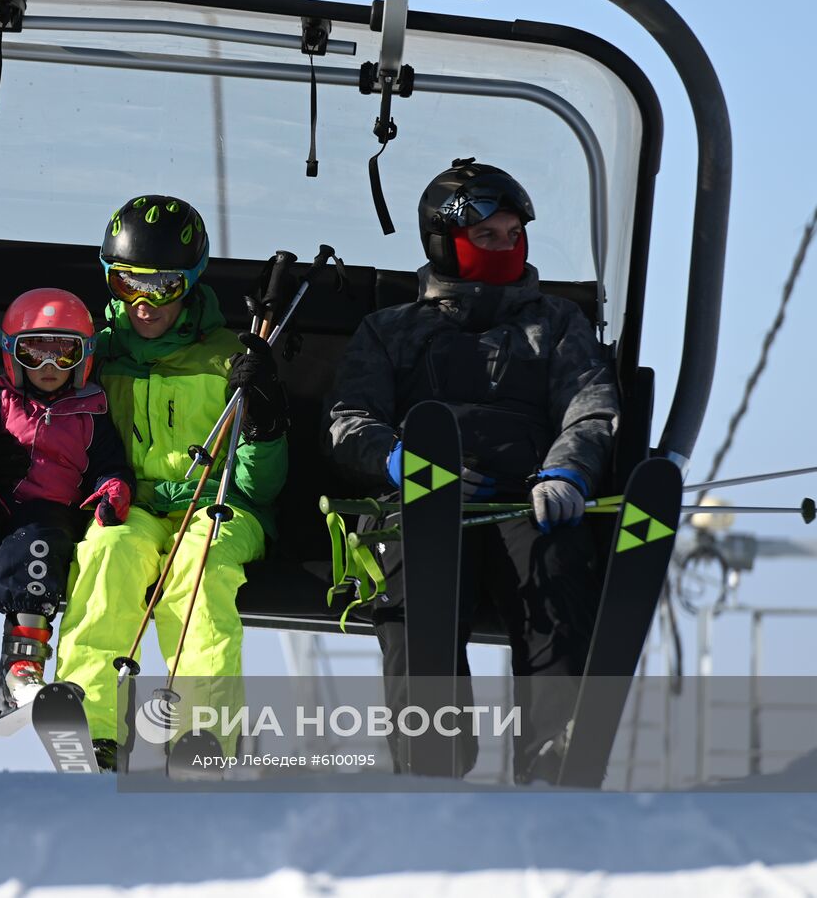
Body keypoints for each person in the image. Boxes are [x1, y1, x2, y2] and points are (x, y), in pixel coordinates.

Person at [325, 158, 620, 782]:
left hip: (526, 498)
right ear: (445, 241)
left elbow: (589, 409)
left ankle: (553, 761)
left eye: (514, 235)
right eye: (488, 235)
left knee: (556, 576)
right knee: (412, 589)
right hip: (428, 500)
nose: (506, 247)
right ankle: (431, 756)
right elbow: (350, 418)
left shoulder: (556, 325)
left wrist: (566, 475)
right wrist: (401, 461)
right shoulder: (392, 331)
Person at [55, 195, 290, 769]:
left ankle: (202, 736)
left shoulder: (227, 360)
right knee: (109, 553)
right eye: (125, 284)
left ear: (189, 282)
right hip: (131, 504)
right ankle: (93, 726)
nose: (141, 303)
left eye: (160, 287)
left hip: (217, 508)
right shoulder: (99, 354)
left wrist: (263, 414)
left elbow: (258, 488)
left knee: (198, 573)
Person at [0, 288, 134, 720]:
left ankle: (21, 668)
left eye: (64, 354)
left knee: (35, 555)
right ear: (12, 356)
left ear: (84, 357)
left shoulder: (91, 413)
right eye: (35, 354)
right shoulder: (0, 402)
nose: (50, 367)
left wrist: (113, 491)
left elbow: (110, 466)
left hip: (46, 513)